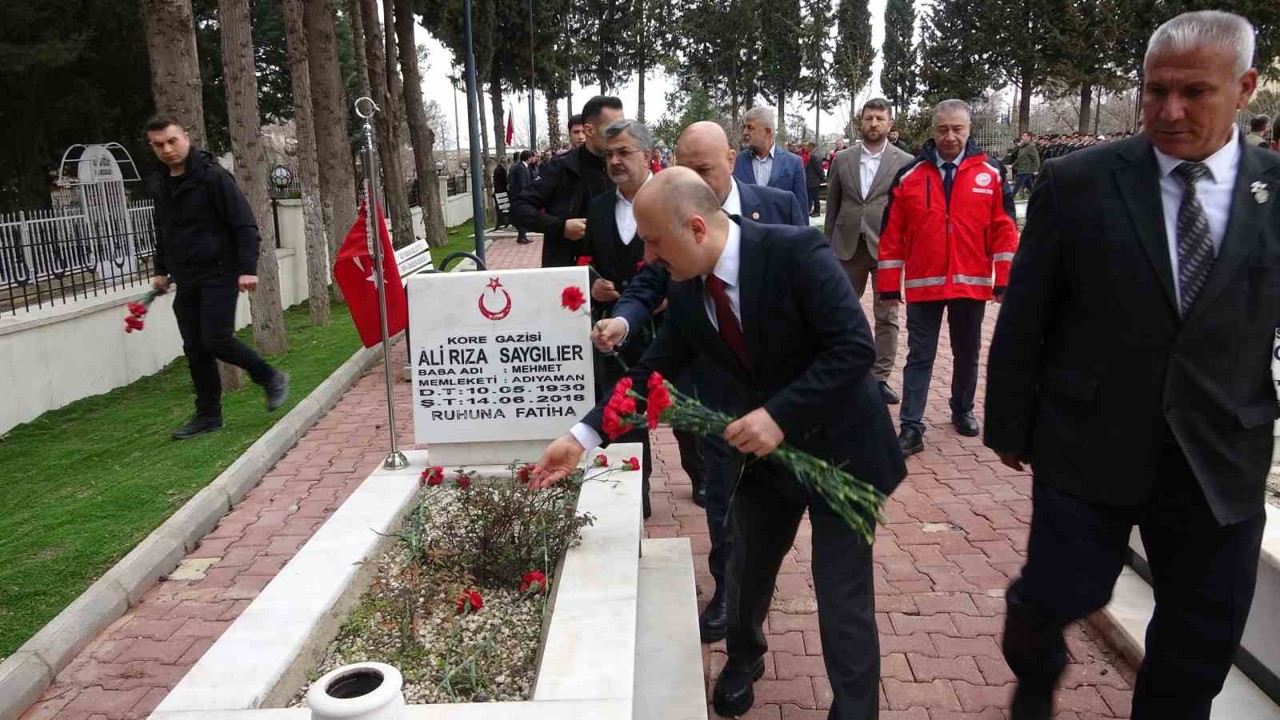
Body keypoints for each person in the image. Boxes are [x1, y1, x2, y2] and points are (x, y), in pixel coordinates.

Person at [985, 12, 1278, 720]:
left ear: (1244, 88)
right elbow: (1027, 315)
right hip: (1088, 444)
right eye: (1155, 90)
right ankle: (1034, 678)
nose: (1169, 111)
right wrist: (1008, 425)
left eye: (1194, 92)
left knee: (1197, 647)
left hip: (1220, 457)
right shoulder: (1079, 182)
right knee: (1053, 597)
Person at [530, 167, 905, 720]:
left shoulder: (796, 252)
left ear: (697, 227)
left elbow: (853, 348)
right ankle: (744, 658)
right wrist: (580, 436)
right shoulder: (686, 288)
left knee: (842, 598)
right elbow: (652, 373)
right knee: (747, 572)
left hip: (843, 453)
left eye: (654, 241)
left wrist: (778, 415)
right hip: (767, 462)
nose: (648, 257)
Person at [592, 120, 810, 645]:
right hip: (713, 387)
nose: (696, 180)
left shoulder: (778, 206)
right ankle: (728, 592)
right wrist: (623, 321)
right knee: (720, 495)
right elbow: (648, 282)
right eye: (687, 169)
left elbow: (807, 292)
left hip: (781, 399)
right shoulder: (673, 214)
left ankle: (755, 583)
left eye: (706, 169)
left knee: (777, 509)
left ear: (731, 159)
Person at [876, 99, 1018, 457]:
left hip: (970, 283)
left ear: (969, 130)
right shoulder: (909, 175)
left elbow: (1004, 230)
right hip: (924, 284)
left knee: (967, 353)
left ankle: (962, 408)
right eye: (943, 129)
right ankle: (911, 426)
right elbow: (892, 235)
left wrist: (1004, 279)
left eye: (958, 129)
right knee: (919, 356)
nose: (950, 136)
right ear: (933, 131)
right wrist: (889, 285)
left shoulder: (991, 173)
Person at [142, 115, 289, 440]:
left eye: (172, 141)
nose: (167, 149)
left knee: (216, 338)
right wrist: (160, 270)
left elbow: (244, 224)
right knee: (195, 348)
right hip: (186, 277)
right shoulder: (161, 183)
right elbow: (163, 231)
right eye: (159, 145)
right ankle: (209, 416)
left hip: (220, 271)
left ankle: (270, 377)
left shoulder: (213, 176)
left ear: (185, 136)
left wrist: (248, 268)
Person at [582, 119, 656, 516]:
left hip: (667, 328)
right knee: (623, 409)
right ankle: (635, 495)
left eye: (624, 152)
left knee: (685, 416)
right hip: (615, 328)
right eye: (609, 155)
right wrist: (593, 285)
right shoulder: (598, 207)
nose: (615, 161)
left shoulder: (669, 197)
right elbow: (586, 259)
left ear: (647, 154)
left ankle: (701, 480)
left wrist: (667, 295)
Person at [824, 98, 914, 406]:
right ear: (860, 122)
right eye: (868, 118)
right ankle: (845, 372)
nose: (873, 123)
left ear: (890, 124)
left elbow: (910, 208)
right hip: (846, 245)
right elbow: (833, 205)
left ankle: (880, 378)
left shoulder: (905, 161)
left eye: (879, 118)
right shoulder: (842, 159)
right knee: (840, 312)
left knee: (887, 315)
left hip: (888, 249)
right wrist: (826, 246)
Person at [511, 96, 623, 267]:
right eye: (612, 129)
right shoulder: (561, 167)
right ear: (589, 130)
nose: (619, 134)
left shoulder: (623, 165)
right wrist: (561, 227)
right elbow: (519, 208)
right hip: (569, 268)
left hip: (614, 271)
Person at [733, 106, 809, 210]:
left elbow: (801, 209)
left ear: (767, 132)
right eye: (744, 127)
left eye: (750, 127)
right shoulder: (737, 161)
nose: (745, 132)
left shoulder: (793, 163)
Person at [507, 150, 534, 244]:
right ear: (528, 158)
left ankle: (522, 236)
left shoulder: (522, 166)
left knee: (523, 216)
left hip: (520, 196)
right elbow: (523, 184)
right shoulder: (521, 168)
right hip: (520, 197)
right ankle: (522, 237)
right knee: (522, 216)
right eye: (531, 157)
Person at [1009, 131, 1041, 198]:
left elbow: (1036, 158)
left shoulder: (1031, 146)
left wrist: (1036, 169)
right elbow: (1020, 158)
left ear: (1029, 137)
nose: (1022, 137)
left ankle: (1011, 198)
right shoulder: (1022, 147)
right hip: (1021, 169)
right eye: (1022, 136)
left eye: (1024, 136)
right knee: (1029, 186)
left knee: (1018, 184)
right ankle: (1037, 197)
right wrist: (1013, 165)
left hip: (1026, 169)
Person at [803, 141, 825, 215]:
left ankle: (817, 211)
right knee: (813, 196)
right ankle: (814, 210)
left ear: (811, 147)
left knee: (815, 197)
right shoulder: (813, 154)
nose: (805, 148)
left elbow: (818, 168)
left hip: (813, 180)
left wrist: (822, 177)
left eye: (807, 146)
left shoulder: (814, 156)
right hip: (811, 180)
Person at [492, 154, 511, 230]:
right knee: (503, 208)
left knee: (501, 208)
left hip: (498, 191)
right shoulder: (502, 170)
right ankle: (504, 222)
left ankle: (503, 222)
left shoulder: (497, 169)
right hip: (502, 191)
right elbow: (504, 181)